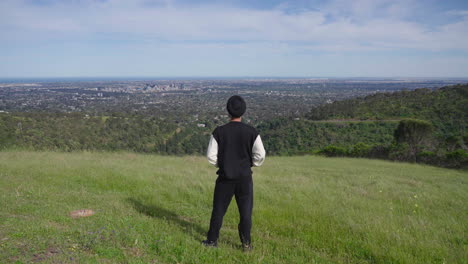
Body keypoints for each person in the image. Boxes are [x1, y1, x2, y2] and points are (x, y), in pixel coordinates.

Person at [202, 95, 266, 252]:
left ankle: (212, 241)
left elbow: (211, 156)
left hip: (225, 178)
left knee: (218, 210)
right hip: (245, 178)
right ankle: (246, 244)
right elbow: (260, 155)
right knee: (245, 213)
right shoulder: (252, 132)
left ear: (228, 111)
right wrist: (250, 164)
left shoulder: (219, 132)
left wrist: (223, 165)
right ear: (243, 111)